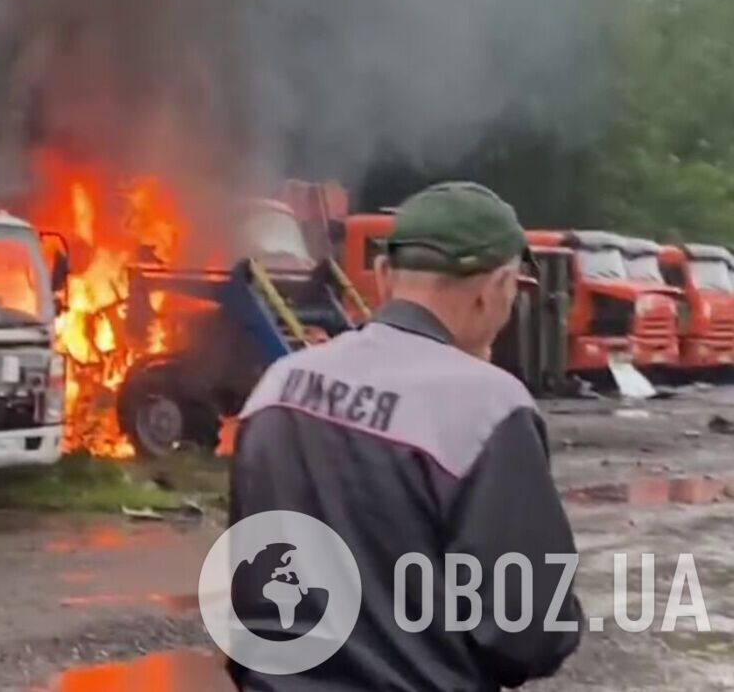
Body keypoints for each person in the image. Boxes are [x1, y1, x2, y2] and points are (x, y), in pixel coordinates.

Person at [228, 181, 582, 690]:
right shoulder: (488, 407)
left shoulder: (279, 385)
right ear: (495, 287)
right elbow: (527, 635)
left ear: (382, 275)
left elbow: (248, 585)